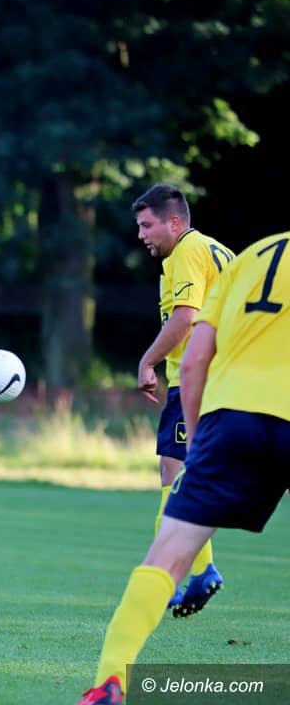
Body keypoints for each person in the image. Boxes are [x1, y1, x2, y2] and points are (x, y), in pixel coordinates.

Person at [77, 230, 290, 704]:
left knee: (166, 556)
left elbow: (194, 359)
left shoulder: (252, 257)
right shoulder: (223, 253)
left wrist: (197, 441)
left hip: (229, 416)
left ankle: (109, 683)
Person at [132, 183, 234, 615]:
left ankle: (174, 573)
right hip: (220, 377)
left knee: (174, 475)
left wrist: (148, 360)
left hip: (198, 378)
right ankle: (199, 570)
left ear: (174, 222)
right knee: (184, 472)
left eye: (146, 225)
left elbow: (186, 317)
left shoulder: (188, 251)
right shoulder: (217, 250)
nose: (141, 235)